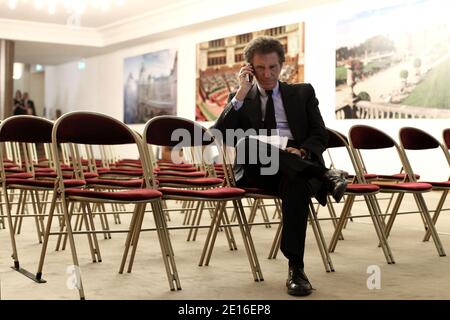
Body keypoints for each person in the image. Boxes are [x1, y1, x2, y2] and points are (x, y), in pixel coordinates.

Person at [213, 36, 347, 297]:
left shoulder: (303, 92)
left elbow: (320, 134)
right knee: (250, 143)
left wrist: (303, 151)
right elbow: (219, 133)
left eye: (273, 67)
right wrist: (241, 92)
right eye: (260, 68)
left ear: (282, 65)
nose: (267, 74)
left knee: (295, 182)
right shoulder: (240, 98)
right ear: (249, 69)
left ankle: (296, 269)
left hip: (294, 164)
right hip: (258, 168)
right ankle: (325, 175)